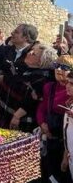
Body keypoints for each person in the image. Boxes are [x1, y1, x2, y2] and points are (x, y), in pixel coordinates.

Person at [0, 42, 56, 132]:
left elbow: (32, 101)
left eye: (34, 54)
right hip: (7, 112)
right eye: (31, 50)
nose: (29, 53)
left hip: (21, 120)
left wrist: (17, 116)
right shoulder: (25, 68)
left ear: (41, 61)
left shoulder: (42, 78)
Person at [37, 54, 73, 183]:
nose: (58, 69)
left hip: (66, 143)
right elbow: (42, 108)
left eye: (64, 67)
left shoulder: (70, 91)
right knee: (48, 172)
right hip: (50, 136)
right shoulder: (49, 87)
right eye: (56, 66)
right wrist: (42, 123)